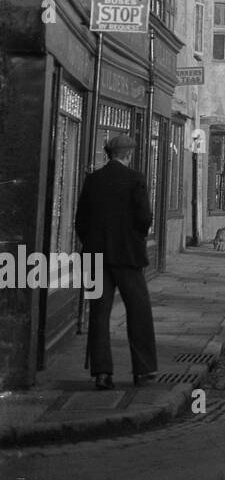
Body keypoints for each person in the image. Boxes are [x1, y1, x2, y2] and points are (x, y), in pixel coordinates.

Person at [75, 134, 158, 391]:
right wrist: (135, 238)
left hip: (97, 255)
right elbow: (144, 217)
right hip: (128, 256)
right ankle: (142, 371)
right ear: (128, 154)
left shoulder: (93, 179)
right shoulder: (135, 179)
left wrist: (92, 243)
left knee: (99, 314)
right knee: (139, 311)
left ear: (109, 154)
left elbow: (81, 221)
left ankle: (101, 373)